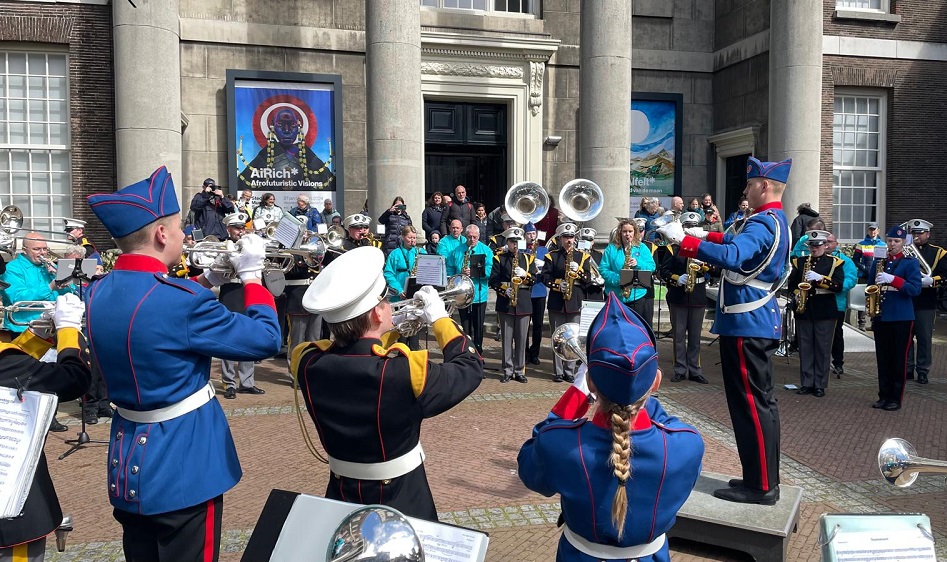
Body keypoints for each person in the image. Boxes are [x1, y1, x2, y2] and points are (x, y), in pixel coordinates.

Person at [85, 166, 281, 561]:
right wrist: (253, 276)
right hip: (186, 465)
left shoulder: (96, 292)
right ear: (161, 234)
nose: (183, 235)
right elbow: (266, 339)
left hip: (128, 464)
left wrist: (208, 279)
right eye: (178, 228)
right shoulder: (182, 301)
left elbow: (151, 309)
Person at [292, 246, 483, 521]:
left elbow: (358, 351)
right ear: (377, 314)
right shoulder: (404, 371)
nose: (389, 305)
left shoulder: (307, 362)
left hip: (340, 494)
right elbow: (469, 366)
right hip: (402, 498)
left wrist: (394, 329)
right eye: (385, 302)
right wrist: (440, 318)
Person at [517, 292, 703, 562]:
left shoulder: (559, 444)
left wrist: (579, 393)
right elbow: (657, 419)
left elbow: (529, 467)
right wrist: (630, 386)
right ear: (656, 382)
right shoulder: (686, 444)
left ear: (591, 382)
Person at [657, 156, 791, 505]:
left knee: (751, 405)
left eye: (749, 184)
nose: (745, 190)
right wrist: (704, 233)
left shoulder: (763, 223)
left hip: (747, 323)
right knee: (758, 405)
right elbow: (737, 243)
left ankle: (761, 486)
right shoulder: (770, 220)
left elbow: (734, 255)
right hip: (751, 321)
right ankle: (760, 476)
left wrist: (684, 242)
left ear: (763, 186)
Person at [0, 295, 91, 562]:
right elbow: (73, 379)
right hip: (9, 514)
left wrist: (35, 337)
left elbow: (11, 370)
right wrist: (68, 331)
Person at [869, 225, 922, 410]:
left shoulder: (910, 263)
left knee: (899, 359)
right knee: (883, 358)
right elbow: (871, 287)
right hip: (882, 316)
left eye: (896, 241)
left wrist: (894, 280)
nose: (892, 244)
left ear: (903, 243)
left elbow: (915, 289)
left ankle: (895, 398)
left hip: (901, 317)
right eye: (890, 240)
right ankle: (883, 395)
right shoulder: (879, 262)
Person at [788, 230, 845, 398]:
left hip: (824, 309)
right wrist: (797, 293)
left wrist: (820, 279)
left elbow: (838, 286)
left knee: (822, 347)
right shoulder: (800, 262)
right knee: (805, 347)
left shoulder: (835, 263)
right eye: (811, 246)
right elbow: (791, 285)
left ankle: (819, 384)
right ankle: (806, 382)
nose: (814, 249)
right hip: (804, 309)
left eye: (817, 245)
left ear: (825, 245)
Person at [216, 212, 267, 399]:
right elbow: (214, 272)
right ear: (228, 229)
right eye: (237, 228)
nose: (240, 231)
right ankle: (229, 383)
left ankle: (247, 382)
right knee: (229, 340)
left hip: (249, 293)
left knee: (248, 338)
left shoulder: (251, 244)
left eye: (242, 228)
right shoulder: (222, 246)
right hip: (230, 294)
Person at [660, 211, 710, 385]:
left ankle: (695, 369)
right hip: (678, 295)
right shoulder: (672, 248)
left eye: (693, 228)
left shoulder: (703, 248)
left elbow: (716, 270)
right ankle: (680, 369)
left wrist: (704, 266)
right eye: (687, 227)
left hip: (697, 294)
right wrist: (676, 278)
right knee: (679, 335)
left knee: (695, 336)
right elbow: (663, 271)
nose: (690, 231)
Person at [541, 222, 593, 383]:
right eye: (566, 237)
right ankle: (558, 371)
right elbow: (544, 277)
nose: (569, 240)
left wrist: (578, 272)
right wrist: (558, 284)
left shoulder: (583, 256)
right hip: (557, 301)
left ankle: (569, 370)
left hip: (575, 301)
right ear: (560, 239)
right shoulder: (552, 256)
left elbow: (589, 279)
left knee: (573, 338)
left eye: (571, 237)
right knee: (557, 336)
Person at [236, 107, 335, 191]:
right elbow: (243, 183)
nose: (287, 130)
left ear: (298, 129)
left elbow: (328, 183)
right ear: (273, 129)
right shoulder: (266, 155)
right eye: (280, 125)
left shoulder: (307, 155)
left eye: (292, 126)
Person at [2, 233, 77, 332]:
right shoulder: (12, 268)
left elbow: (72, 293)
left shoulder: (51, 267)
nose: (42, 253)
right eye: (37, 249)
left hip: (52, 326)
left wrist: (58, 275)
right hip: (23, 327)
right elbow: (18, 298)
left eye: (45, 249)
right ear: (24, 250)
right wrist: (49, 287)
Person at [490, 227, 537, 383]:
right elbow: (494, 281)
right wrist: (505, 290)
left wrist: (526, 275)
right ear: (507, 242)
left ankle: (519, 370)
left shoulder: (528, 259)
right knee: (506, 339)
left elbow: (535, 280)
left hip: (523, 302)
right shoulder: (499, 258)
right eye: (512, 241)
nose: (515, 244)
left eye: (517, 241)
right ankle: (507, 370)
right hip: (505, 303)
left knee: (522, 339)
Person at [904, 219, 947, 384]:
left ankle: (923, 370)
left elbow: (945, 275)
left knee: (924, 338)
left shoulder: (938, 253)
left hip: (926, 301)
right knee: (906, 337)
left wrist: (932, 281)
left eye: (920, 233)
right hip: (907, 299)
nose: (916, 236)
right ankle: (907, 368)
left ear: (927, 234)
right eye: (914, 233)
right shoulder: (905, 251)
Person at [599, 219, 656, 324]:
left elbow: (652, 267)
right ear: (620, 232)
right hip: (615, 296)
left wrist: (638, 263)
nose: (627, 234)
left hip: (637, 296)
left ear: (635, 232)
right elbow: (603, 269)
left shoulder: (642, 248)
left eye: (630, 231)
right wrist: (618, 279)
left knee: (635, 327)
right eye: (624, 231)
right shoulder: (611, 249)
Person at [451, 224, 493, 353]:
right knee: (465, 326)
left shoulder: (486, 250)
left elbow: (490, 270)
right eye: (469, 237)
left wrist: (474, 272)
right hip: (463, 294)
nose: (472, 240)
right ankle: (467, 352)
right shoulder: (457, 251)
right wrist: (459, 273)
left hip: (479, 294)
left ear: (479, 236)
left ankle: (478, 352)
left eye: (475, 237)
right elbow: (449, 269)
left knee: (478, 326)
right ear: (465, 236)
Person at [383, 225, 426, 349]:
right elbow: (389, 273)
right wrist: (399, 290)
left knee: (415, 327)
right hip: (400, 296)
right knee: (401, 329)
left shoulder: (420, 252)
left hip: (416, 296)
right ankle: (401, 354)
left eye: (414, 238)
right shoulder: (395, 254)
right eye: (409, 238)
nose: (412, 240)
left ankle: (413, 353)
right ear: (402, 237)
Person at [825, 232, 858, 379]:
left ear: (836, 244)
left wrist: (834, 286)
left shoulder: (845, 261)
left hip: (837, 302)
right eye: (824, 241)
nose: (827, 244)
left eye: (830, 242)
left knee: (836, 334)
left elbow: (851, 279)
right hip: (819, 302)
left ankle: (838, 362)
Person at [852, 222, 886, 330]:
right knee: (863, 297)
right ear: (868, 231)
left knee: (876, 297)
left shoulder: (883, 245)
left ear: (878, 231)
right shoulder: (861, 244)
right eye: (871, 229)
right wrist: (864, 268)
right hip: (864, 274)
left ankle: (873, 322)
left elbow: (884, 261)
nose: (872, 232)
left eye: (874, 229)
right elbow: (855, 260)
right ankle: (861, 323)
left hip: (877, 276)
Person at [524, 223, 548, 365]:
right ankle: (525, 352)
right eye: (529, 234)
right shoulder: (521, 249)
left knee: (538, 324)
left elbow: (549, 270)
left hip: (539, 290)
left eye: (533, 234)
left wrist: (543, 266)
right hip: (526, 290)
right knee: (525, 325)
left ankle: (535, 353)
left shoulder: (543, 250)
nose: (531, 236)